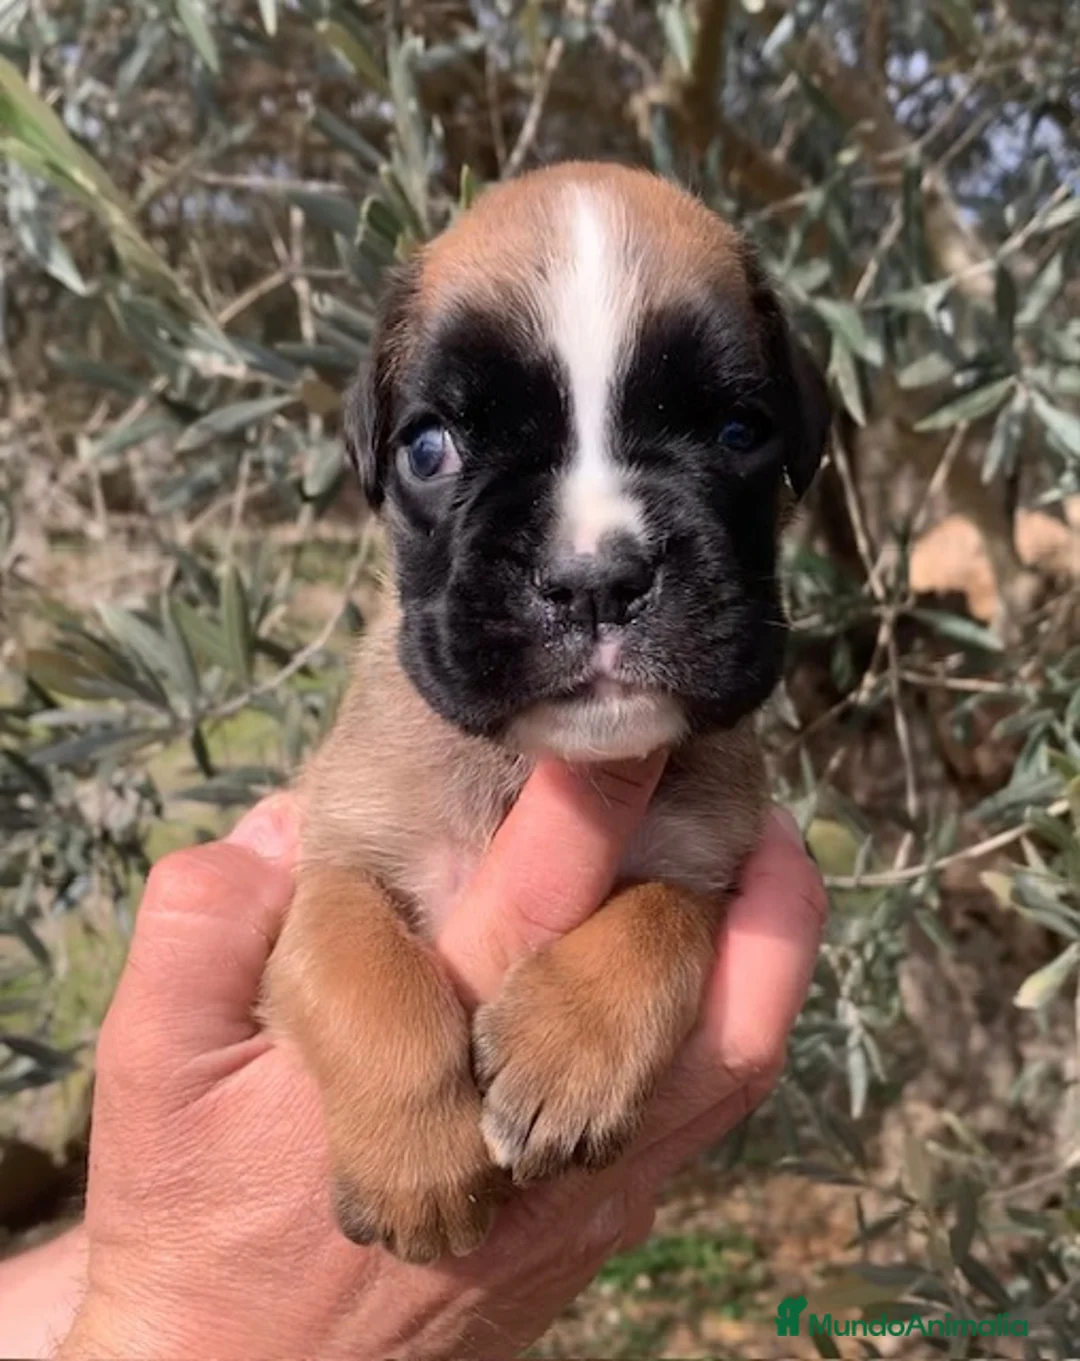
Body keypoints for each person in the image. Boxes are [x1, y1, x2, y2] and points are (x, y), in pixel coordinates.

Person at [0, 753, 826, 1360]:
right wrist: (209, 1327)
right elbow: (330, 893)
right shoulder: (400, 723)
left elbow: (698, 891)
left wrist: (658, 942)